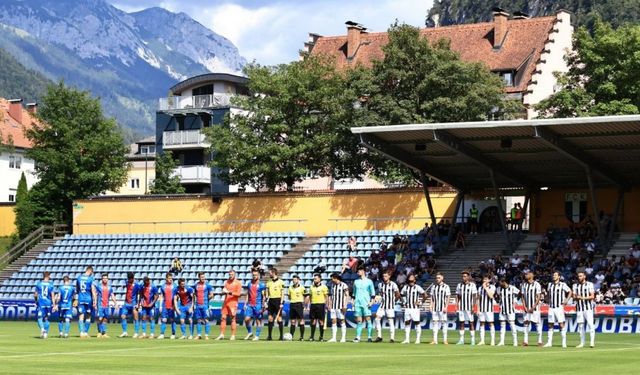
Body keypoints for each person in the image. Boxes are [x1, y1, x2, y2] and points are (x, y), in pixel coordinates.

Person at [544, 271, 571, 348]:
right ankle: (549, 343)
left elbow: (570, 291)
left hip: (559, 307)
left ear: (559, 277)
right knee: (550, 324)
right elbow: (548, 294)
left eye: (555, 275)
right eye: (553, 275)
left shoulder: (563, 284)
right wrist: (547, 299)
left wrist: (566, 300)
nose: (554, 276)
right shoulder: (550, 285)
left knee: (561, 324)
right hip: (551, 307)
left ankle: (564, 342)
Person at [374, 270, 400, 343]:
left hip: (390, 305)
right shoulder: (380, 285)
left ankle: (392, 338)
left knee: (390, 321)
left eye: (386, 276)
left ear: (389, 276)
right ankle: (379, 336)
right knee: (377, 319)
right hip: (382, 305)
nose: (384, 277)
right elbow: (380, 294)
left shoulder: (393, 284)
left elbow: (398, 294)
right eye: (383, 276)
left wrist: (394, 301)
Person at [216, 269, 242, 340]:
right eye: (229, 274)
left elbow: (239, 294)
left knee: (233, 318)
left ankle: (233, 335)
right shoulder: (227, 282)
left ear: (234, 275)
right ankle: (222, 334)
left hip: (233, 303)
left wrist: (230, 293)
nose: (230, 276)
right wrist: (223, 291)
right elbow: (225, 290)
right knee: (223, 318)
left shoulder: (238, 283)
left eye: (232, 274)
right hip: (226, 302)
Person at [400, 274, 426, 344]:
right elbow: (401, 295)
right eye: (410, 278)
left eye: (412, 279)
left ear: (415, 280)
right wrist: (404, 302)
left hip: (415, 308)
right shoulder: (405, 287)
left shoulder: (417, 287)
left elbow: (425, 295)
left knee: (417, 323)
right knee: (407, 323)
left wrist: (420, 302)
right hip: (407, 308)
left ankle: (418, 339)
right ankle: (407, 339)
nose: (411, 280)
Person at [352, 266, 376, 343]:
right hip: (358, 303)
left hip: (366, 303)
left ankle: (369, 337)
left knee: (368, 319)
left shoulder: (369, 281)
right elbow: (354, 293)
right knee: (359, 321)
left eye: (359, 271)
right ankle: (358, 337)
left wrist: (371, 302)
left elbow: (373, 293)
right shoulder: (356, 281)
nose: (357, 272)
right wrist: (353, 301)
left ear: (363, 271)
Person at [573, 271, 596, 348]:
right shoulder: (575, 285)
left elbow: (592, 296)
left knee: (590, 324)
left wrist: (582, 297)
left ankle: (592, 342)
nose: (579, 277)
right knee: (580, 326)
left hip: (588, 308)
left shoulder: (589, 284)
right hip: (579, 309)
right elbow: (574, 297)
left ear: (584, 276)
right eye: (578, 276)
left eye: (581, 276)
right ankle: (582, 343)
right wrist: (576, 297)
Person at [520, 271, 543, 346]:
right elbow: (522, 296)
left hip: (535, 308)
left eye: (527, 274)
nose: (525, 275)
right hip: (526, 308)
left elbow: (538, 296)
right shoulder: (524, 285)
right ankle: (525, 341)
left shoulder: (537, 284)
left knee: (537, 323)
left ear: (532, 275)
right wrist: (524, 306)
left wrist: (534, 306)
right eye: (525, 274)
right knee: (526, 323)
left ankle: (539, 341)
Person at [243, 269, 266, 341]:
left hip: (258, 305)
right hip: (250, 304)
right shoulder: (249, 284)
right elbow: (248, 294)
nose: (254, 276)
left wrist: (264, 304)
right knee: (246, 319)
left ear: (258, 276)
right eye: (253, 275)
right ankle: (250, 332)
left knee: (258, 321)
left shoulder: (262, 285)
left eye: (256, 275)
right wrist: (245, 303)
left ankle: (257, 335)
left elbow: (264, 295)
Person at [428, 272, 451, 345]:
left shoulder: (446, 286)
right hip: (435, 308)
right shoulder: (433, 287)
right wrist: (430, 305)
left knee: (444, 323)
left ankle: (445, 340)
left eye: (439, 278)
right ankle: (435, 340)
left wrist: (446, 307)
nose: (437, 279)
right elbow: (432, 297)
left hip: (442, 308)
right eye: (436, 278)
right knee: (435, 323)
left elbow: (448, 297)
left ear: (442, 278)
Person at [455, 271, 477, 345]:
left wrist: (474, 306)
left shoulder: (472, 285)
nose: (463, 277)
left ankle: (472, 340)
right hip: (461, 307)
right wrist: (457, 305)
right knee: (461, 323)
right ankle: (461, 340)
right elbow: (457, 296)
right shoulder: (459, 285)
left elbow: (474, 296)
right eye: (462, 276)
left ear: (468, 277)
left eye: (465, 276)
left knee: (471, 323)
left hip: (469, 307)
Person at [496, 278, 519, 346]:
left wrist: (515, 301)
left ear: (504, 282)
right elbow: (497, 296)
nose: (500, 284)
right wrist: (498, 301)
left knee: (512, 325)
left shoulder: (512, 288)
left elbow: (520, 293)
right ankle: (502, 341)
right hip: (502, 309)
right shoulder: (499, 289)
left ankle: (515, 341)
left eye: (501, 282)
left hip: (510, 310)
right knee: (502, 326)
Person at [328, 273, 349, 343]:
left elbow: (347, 295)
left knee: (342, 321)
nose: (331, 280)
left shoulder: (344, 285)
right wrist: (329, 304)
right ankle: (334, 338)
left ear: (335, 278)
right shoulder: (332, 285)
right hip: (334, 306)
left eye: (332, 278)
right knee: (333, 321)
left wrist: (345, 305)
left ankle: (343, 338)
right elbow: (331, 296)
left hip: (341, 306)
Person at [119, 272, 141, 338]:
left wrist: (138, 304)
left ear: (133, 278)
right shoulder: (127, 282)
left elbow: (140, 294)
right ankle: (125, 332)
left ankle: (136, 333)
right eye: (128, 279)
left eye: (131, 279)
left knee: (136, 318)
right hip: (126, 303)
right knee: (123, 316)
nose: (129, 280)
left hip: (133, 303)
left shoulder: (137, 285)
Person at [34, 271, 56, 339]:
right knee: (46, 318)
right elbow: (52, 296)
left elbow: (35, 294)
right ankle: (45, 333)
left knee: (39, 318)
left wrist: (36, 301)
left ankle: (42, 329)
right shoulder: (51, 285)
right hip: (48, 303)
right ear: (48, 276)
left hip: (41, 303)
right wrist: (54, 305)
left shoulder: (39, 284)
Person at [95, 273, 117, 338]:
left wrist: (115, 303)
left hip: (106, 305)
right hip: (100, 305)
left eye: (106, 278)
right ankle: (99, 332)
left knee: (105, 319)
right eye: (103, 278)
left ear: (107, 279)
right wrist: (95, 303)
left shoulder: (110, 287)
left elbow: (112, 295)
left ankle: (104, 333)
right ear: (102, 279)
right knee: (100, 318)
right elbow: (96, 295)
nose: (105, 279)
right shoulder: (99, 286)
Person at [192, 272, 213, 340]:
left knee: (206, 320)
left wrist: (207, 300)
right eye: (201, 277)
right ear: (199, 277)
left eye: (204, 277)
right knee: (198, 320)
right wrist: (194, 303)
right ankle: (199, 335)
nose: (203, 278)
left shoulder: (208, 285)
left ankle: (206, 335)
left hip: (205, 305)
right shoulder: (196, 285)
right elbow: (194, 295)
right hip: (198, 305)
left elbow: (211, 294)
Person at [308, 273, 329, 341]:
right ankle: (312, 336)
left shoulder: (324, 287)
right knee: (313, 321)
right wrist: (310, 304)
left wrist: (326, 305)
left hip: (321, 305)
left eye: (316, 278)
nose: (314, 280)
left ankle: (321, 336)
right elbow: (310, 296)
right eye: (314, 278)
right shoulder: (311, 287)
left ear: (320, 279)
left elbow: (326, 297)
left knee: (321, 321)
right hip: (313, 305)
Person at [266, 268, 285, 341]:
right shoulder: (268, 282)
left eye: (270, 273)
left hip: (278, 300)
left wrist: (281, 302)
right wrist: (266, 301)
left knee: (279, 318)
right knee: (270, 318)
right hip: (271, 300)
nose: (269, 274)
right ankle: (269, 336)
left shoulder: (281, 282)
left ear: (274, 273)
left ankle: (281, 336)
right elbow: (267, 293)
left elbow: (282, 293)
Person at [477, 276, 496, 346]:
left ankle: (492, 341)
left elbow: (491, 296)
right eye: (484, 279)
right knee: (482, 324)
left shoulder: (492, 287)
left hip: (489, 309)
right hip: (481, 309)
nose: (484, 281)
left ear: (489, 280)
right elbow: (478, 299)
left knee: (491, 324)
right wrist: (478, 309)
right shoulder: (479, 288)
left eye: (486, 279)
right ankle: (482, 341)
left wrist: (485, 288)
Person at [287, 275, 307, 341]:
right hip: (292, 304)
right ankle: (291, 336)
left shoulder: (302, 288)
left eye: (295, 279)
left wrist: (304, 304)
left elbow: (306, 296)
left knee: (300, 321)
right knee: (292, 321)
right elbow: (289, 296)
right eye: (293, 279)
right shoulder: (290, 288)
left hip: (299, 304)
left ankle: (301, 337)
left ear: (298, 280)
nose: (294, 281)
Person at [158, 273, 177, 339]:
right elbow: (162, 296)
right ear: (166, 279)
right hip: (165, 305)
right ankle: (162, 334)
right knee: (164, 319)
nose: (170, 279)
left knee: (172, 320)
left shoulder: (175, 286)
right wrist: (160, 305)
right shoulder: (163, 286)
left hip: (172, 306)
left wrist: (176, 306)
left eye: (171, 278)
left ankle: (173, 334)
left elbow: (177, 297)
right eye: (169, 278)